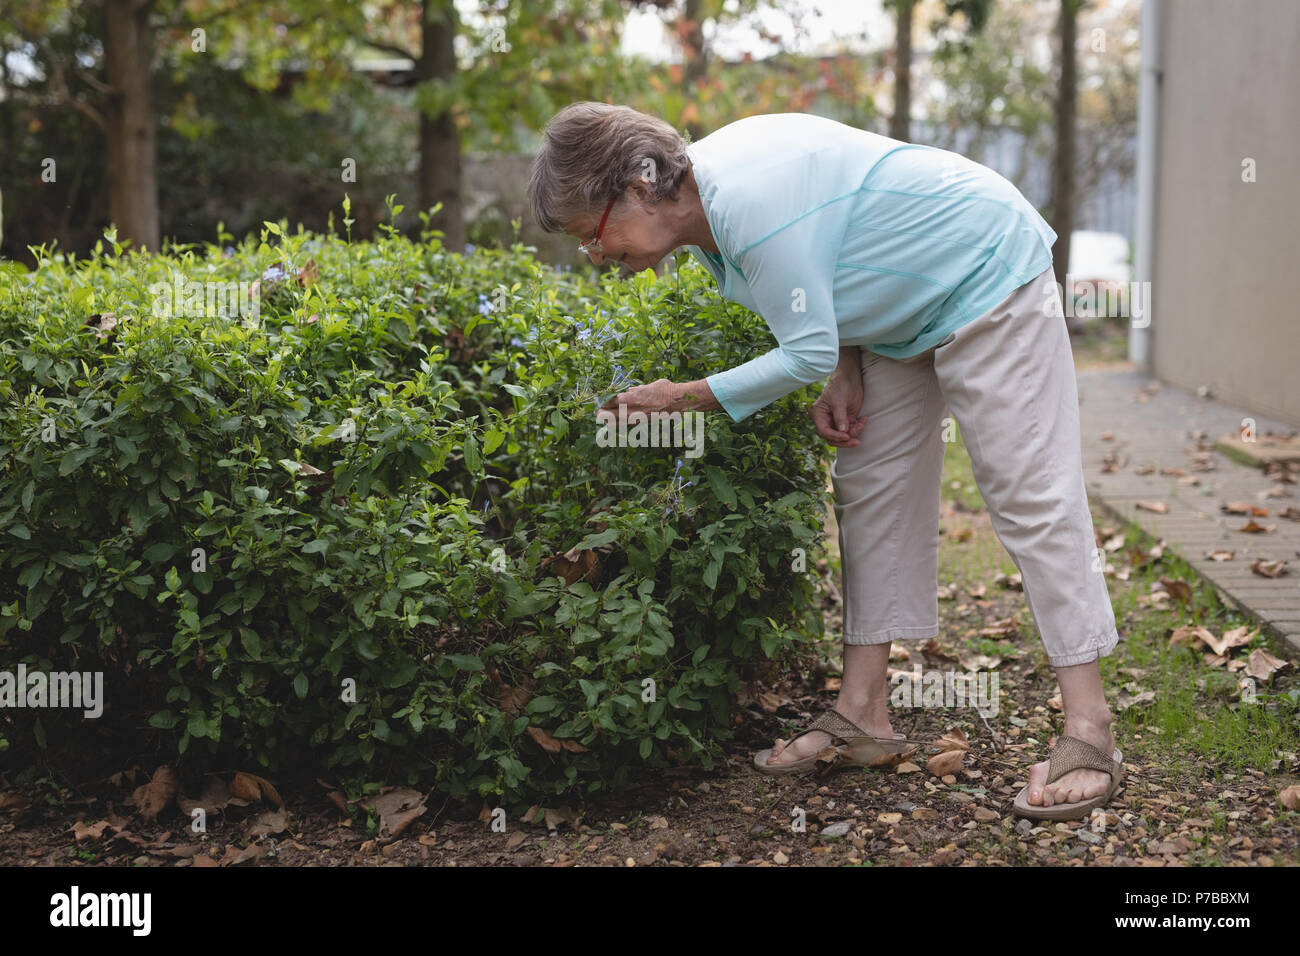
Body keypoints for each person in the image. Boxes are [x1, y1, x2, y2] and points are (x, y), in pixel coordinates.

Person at [525, 102, 1125, 821]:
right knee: (867, 486)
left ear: (635, 186)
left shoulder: (744, 200)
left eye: (590, 236)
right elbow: (830, 260)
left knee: (1028, 491)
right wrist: (843, 364)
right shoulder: (708, 214)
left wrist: (683, 398)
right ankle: (863, 712)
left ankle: (1091, 730)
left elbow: (798, 338)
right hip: (902, 312)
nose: (596, 259)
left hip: (982, 267)